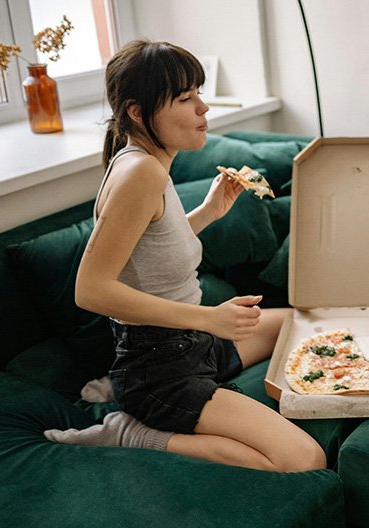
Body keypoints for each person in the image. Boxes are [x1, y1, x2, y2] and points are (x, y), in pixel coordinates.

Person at [44, 39, 326, 473]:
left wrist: (208, 213)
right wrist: (210, 318)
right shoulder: (140, 172)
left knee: (299, 322)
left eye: (198, 93)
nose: (203, 109)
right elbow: (91, 290)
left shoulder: (148, 164)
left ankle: (121, 387)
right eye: (185, 98)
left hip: (189, 346)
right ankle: (130, 430)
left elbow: (150, 250)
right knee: (304, 458)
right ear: (138, 112)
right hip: (162, 368)